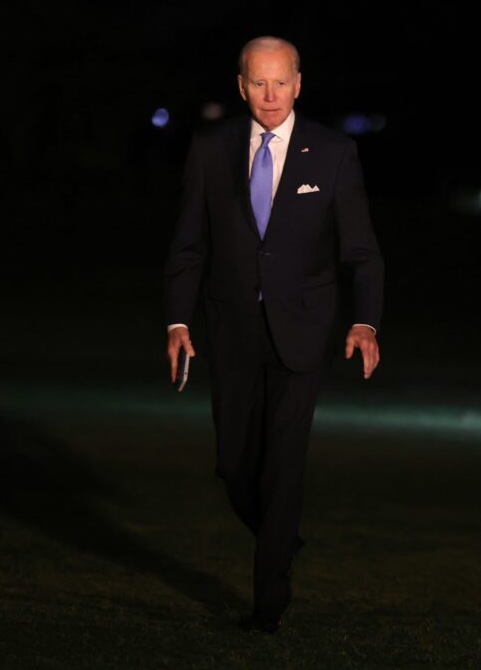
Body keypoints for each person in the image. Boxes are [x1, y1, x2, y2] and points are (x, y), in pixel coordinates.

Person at [163, 36, 384, 634]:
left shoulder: (334, 152)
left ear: (299, 83)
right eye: (258, 83)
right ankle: (281, 537)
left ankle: (268, 606)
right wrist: (178, 321)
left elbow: (362, 252)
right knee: (235, 466)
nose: (270, 95)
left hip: (304, 332)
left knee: (284, 465)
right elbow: (188, 245)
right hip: (232, 329)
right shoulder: (211, 148)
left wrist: (365, 321)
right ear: (241, 86)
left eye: (280, 82)